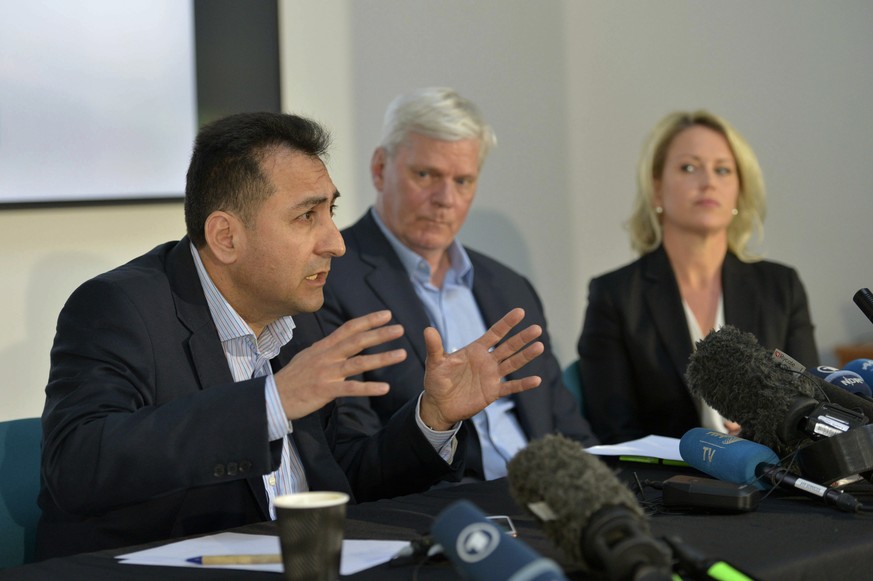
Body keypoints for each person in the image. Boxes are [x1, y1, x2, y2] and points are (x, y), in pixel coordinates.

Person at [37, 112, 547, 559]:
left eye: (331, 211)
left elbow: (348, 475)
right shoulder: (121, 308)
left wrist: (432, 419)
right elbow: (78, 465)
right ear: (226, 237)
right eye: (307, 216)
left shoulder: (299, 316)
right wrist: (270, 403)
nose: (336, 243)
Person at [291, 87, 597, 482]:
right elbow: (351, 460)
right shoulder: (328, 281)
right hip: (444, 513)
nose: (445, 199)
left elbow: (569, 430)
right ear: (381, 169)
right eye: (426, 175)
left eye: (463, 181)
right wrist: (434, 419)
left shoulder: (510, 287)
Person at [576, 110, 819, 445]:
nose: (708, 182)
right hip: (663, 486)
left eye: (722, 170)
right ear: (657, 189)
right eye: (688, 167)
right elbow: (615, 430)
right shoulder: (614, 295)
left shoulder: (781, 287)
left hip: (771, 480)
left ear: (738, 191)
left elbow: (810, 408)